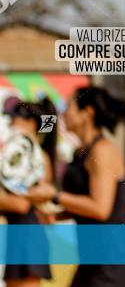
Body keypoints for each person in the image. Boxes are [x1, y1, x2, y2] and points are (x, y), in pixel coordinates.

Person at [26, 85, 125, 287]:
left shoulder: (102, 151)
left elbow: (100, 209)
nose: (63, 112)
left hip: (113, 263)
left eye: (69, 106)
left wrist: (54, 195)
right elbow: (82, 205)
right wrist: (54, 214)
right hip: (92, 260)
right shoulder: (81, 152)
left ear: (87, 113)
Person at [0, 98, 57, 287]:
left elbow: (22, 203)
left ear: (31, 123)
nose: (9, 124)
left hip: (27, 236)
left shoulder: (30, 154)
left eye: (14, 119)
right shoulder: (25, 154)